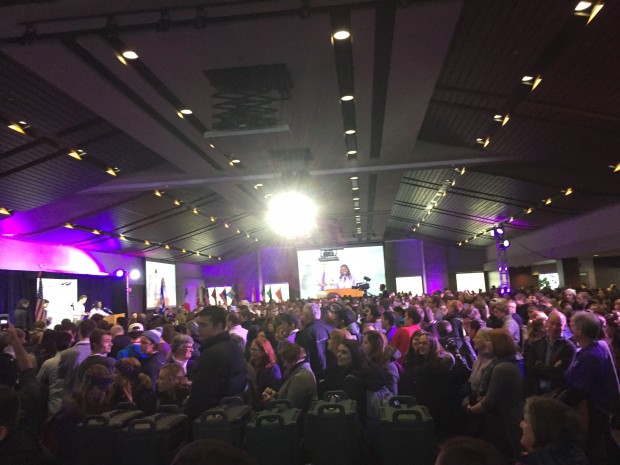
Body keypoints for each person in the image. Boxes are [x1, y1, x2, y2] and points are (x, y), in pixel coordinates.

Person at [563, 311, 620, 465]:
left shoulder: (591, 355)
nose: (569, 327)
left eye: (572, 325)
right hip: (596, 408)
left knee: (596, 448)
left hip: (591, 409)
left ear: (580, 330)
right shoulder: (593, 348)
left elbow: (578, 390)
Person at [467, 329, 523, 461]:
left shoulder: (501, 368)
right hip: (501, 420)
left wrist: (470, 410)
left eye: (490, 342)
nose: (487, 344)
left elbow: (489, 402)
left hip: (503, 422)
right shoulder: (502, 364)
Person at [185, 306, 247, 420]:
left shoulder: (212, 354)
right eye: (198, 325)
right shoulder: (232, 346)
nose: (199, 329)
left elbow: (203, 394)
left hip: (212, 418)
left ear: (218, 326)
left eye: (204, 325)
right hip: (230, 414)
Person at [516, 396, 589, 465]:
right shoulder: (577, 456)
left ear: (540, 429)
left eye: (526, 420)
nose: (521, 424)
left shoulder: (533, 462)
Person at [524, 310, 576, 396]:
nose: (555, 327)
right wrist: (551, 369)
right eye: (552, 323)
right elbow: (530, 369)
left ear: (564, 326)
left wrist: (539, 365)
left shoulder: (569, 347)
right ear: (547, 323)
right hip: (537, 391)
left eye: (559, 324)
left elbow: (560, 374)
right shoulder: (537, 344)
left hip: (556, 393)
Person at [262, 343, 317, 414]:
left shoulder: (300, 378)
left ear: (292, 360)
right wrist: (276, 395)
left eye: (285, 361)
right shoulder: (303, 368)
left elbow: (290, 408)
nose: (284, 365)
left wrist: (270, 401)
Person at [58, 318, 97, 396]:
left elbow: (60, 375)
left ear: (79, 332)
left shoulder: (67, 353)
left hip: (71, 395)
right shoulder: (101, 352)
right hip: (92, 396)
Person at [295, 302, 332, 382]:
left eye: (302, 315)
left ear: (306, 315)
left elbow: (304, 358)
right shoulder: (330, 329)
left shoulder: (305, 334)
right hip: (330, 374)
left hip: (314, 376)